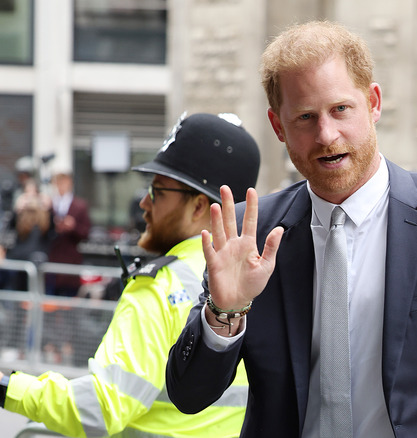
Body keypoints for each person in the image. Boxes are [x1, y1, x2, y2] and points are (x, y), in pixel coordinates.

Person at [166, 21, 417, 437]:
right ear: (279, 127)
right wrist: (224, 313)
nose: (327, 135)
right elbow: (189, 395)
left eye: (340, 110)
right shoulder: (248, 232)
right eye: (305, 117)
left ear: (374, 102)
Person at [0, 112, 260, 437]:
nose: (143, 203)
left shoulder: (158, 286)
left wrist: (8, 387)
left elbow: (99, 409)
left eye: (157, 191)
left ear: (197, 207)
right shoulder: (257, 282)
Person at [46, 166, 91, 297]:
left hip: (70, 261)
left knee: (68, 303)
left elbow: (86, 232)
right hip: (52, 259)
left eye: (63, 182)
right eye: (58, 182)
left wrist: (73, 227)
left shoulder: (79, 205)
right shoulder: (49, 204)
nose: (61, 186)